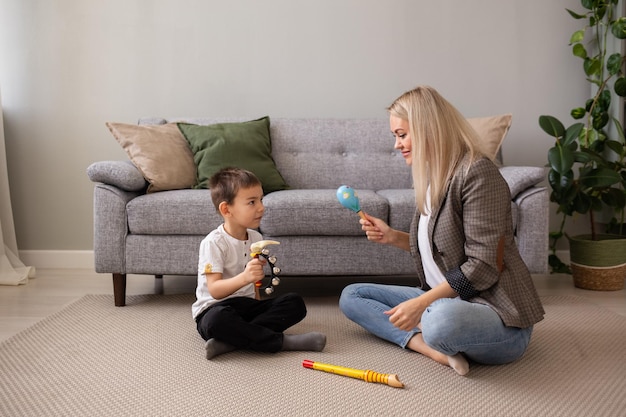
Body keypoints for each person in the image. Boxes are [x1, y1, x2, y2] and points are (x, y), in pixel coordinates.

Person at [339, 86, 545, 376]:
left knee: (439, 320)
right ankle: (429, 347)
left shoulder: (477, 173)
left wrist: (421, 304)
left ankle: (432, 330)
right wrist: (392, 236)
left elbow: (484, 266)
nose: (397, 145)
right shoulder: (432, 177)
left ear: (427, 129)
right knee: (352, 295)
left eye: (402, 134)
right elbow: (439, 246)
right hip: (445, 302)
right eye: (395, 136)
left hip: (494, 314)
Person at [192, 167, 326, 359]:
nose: (261, 207)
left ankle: (231, 341)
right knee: (218, 321)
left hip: (245, 307)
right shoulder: (214, 243)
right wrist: (244, 277)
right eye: (252, 202)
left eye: (261, 199)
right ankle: (282, 342)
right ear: (226, 209)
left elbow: (254, 288)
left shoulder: (255, 237)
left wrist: (257, 299)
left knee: (294, 303)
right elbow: (215, 290)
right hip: (214, 309)